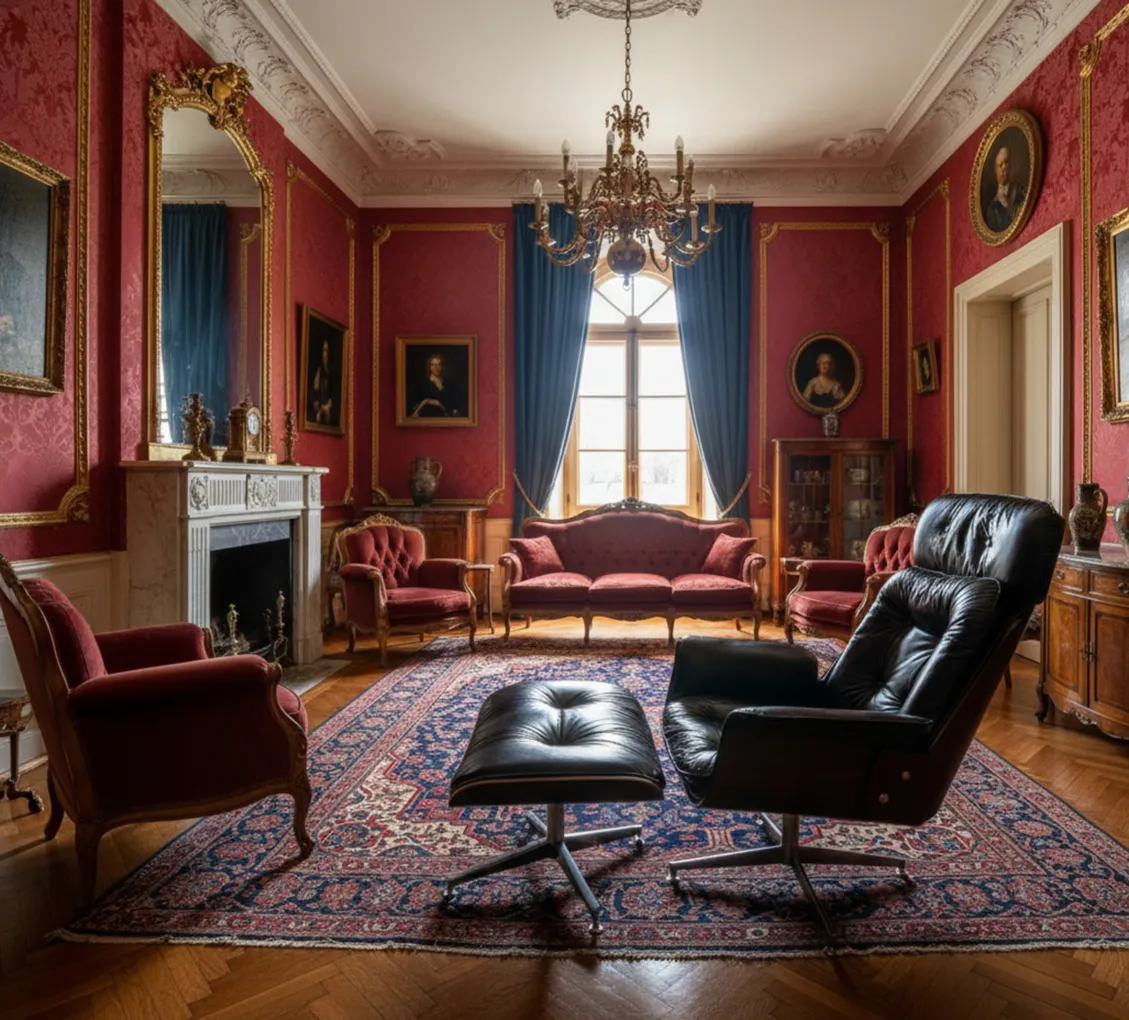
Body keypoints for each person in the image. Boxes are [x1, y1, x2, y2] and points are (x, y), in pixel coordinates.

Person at [409, 352, 466, 418]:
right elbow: (415, 404)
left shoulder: (450, 384)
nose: (436, 367)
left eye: (439, 364)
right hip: (427, 418)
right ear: (429, 367)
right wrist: (428, 401)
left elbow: (454, 404)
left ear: (442, 366)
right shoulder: (422, 384)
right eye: (433, 364)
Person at [984, 145, 1027, 233]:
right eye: (1000, 165)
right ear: (996, 171)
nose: (1004, 168)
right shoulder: (992, 209)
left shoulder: (1021, 191)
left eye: (1006, 162)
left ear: (1012, 165)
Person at [310, 337, 335, 426]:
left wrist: (328, 405)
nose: (326, 354)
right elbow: (315, 395)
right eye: (324, 351)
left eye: (327, 351)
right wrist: (321, 408)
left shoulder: (332, 372)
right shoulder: (318, 371)